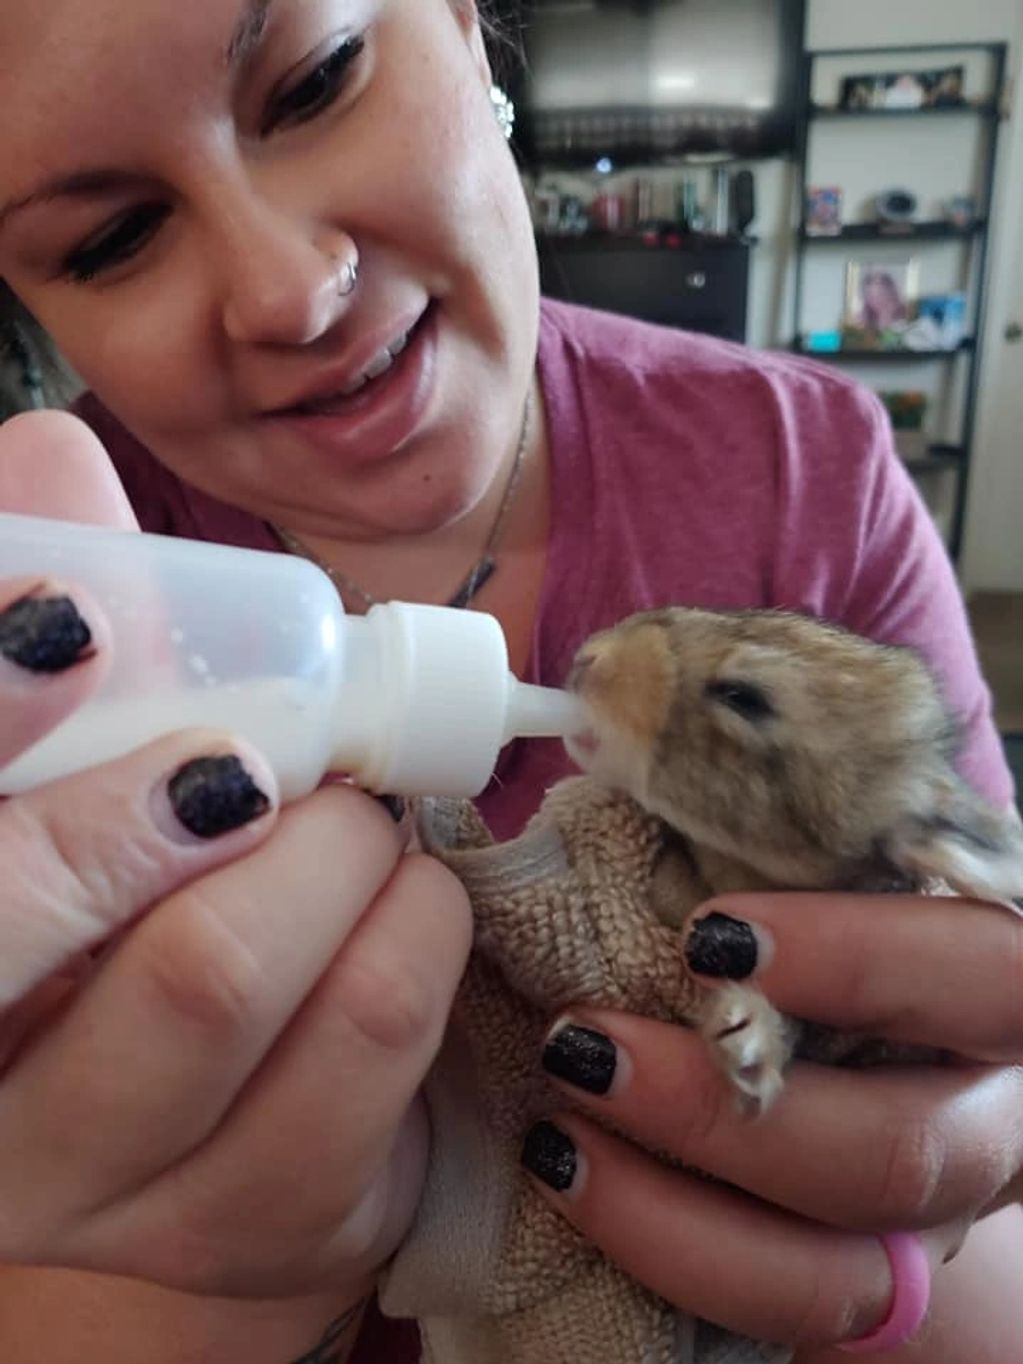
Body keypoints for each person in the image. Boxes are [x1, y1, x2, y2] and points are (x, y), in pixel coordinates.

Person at [0, 3, 1021, 1362]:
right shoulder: (49, 581)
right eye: (111, 237)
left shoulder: (803, 460)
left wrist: (934, 1191)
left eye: (315, 82)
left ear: (469, 26)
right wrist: (161, 1290)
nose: (290, 291)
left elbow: (986, 1075)